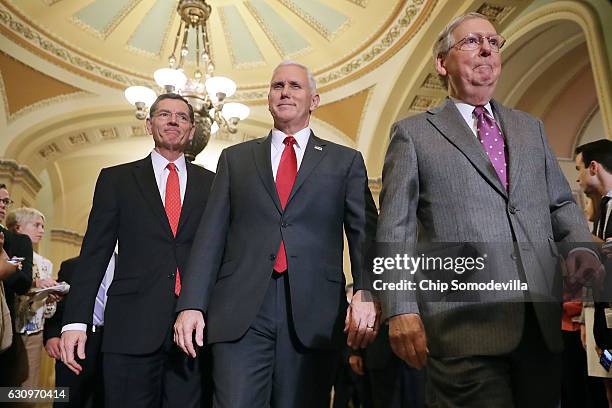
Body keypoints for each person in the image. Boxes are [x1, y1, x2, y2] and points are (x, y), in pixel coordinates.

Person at [376, 12, 598, 407]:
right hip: (463, 331)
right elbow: (396, 231)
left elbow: (560, 202)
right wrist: (399, 309)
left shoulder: (531, 128)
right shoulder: (413, 134)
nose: (486, 49)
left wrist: (580, 246)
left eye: (493, 43)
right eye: (471, 42)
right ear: (442, 63)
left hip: (539, 328)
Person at [174, 61, 379, 408]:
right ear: (268, 99)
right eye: (277, 86)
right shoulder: (236, 159)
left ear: (313, 100)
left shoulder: (345, 161)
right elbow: (211, 236)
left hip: (313, 314)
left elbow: (364, 236)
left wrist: (367, 292)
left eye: (295, 86)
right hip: (239, 312)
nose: (285, 92)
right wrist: (192, 304)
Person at [59, 93, 215, 408]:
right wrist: (74, 322)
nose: (173, 121)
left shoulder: (214, 184)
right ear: (149, 123)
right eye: (164, 114)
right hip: (130, 328)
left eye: (182, 117)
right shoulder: (117, 179)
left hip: (194, 332)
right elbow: (94, 255)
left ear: (191, 128)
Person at [44, 255, 113, 408]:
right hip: (73, 342)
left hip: (111, 343)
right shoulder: (71, 265)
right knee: (67, 398)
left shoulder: (127, 266)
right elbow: (59, 302)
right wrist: (52, 335)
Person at [575, 139, 612, 406]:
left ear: (594, 167)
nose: (577, 178)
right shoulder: (602, 209)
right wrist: (590, 317)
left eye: (579, 169)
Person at [5, 207, 57, 394]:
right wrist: (35, 282)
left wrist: (51, 299)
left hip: (35, 330)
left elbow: (48, 310)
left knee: (28, 388)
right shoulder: (11, 253)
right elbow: (11, 283)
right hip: (11, 327)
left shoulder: (45, 263)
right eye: (36, 225)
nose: (42, 230)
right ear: (17, 228)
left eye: (43, 226)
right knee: (7, 384)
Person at [0, 184, 34, 386]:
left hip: (5, 326)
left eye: (5, 201)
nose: (2, 205)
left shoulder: (17, 241)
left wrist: (7, 266)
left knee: (8, 394)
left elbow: (23, 282)